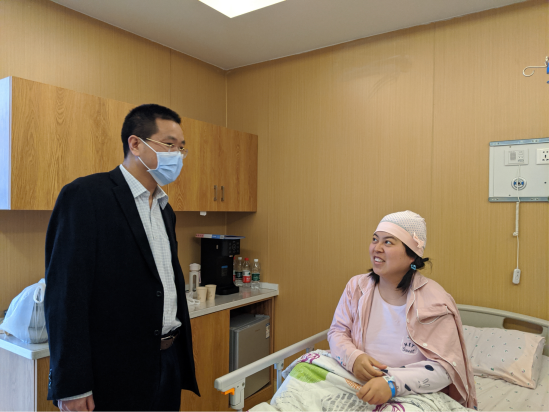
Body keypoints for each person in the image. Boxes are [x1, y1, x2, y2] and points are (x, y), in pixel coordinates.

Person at [44, 104, 199, 412]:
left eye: (181, 148)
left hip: (167, 361)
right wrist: (72, 383)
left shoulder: (165, 209)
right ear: (135, 144)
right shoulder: (87, 196)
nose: (177, 155)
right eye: (169, 144)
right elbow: (65, 296)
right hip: (113, 371)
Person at [327, 211, 477, 409]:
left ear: (412, 255)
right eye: (375, 239)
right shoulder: (356, 287)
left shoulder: (436, 301)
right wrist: (354, 358)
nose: (377, 248)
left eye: (388, 242)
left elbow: (447, 369)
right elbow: (337, 331)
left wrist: (392, 384)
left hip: (413, 392)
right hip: (355, 378)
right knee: (302, 374)